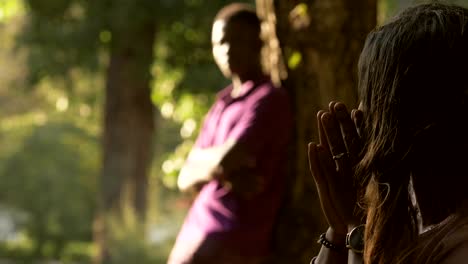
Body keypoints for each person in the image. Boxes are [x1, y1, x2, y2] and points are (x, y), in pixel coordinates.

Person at [308, 3, 468, 264]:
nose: (359, 111)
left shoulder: (460, 240)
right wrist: (338, 229)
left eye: (372, 96)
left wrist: (355, 228)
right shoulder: (407, 203)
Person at [167, 3, 291, 264]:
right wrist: (220, 171)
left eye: (236, 40)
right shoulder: (220, 105)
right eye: (219, 43)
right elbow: (184, 177)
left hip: (233, 238)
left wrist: (208, 164)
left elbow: (228, 159)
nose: (226, 50)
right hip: (196, 229)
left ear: (258, 42)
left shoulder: (268, 99)